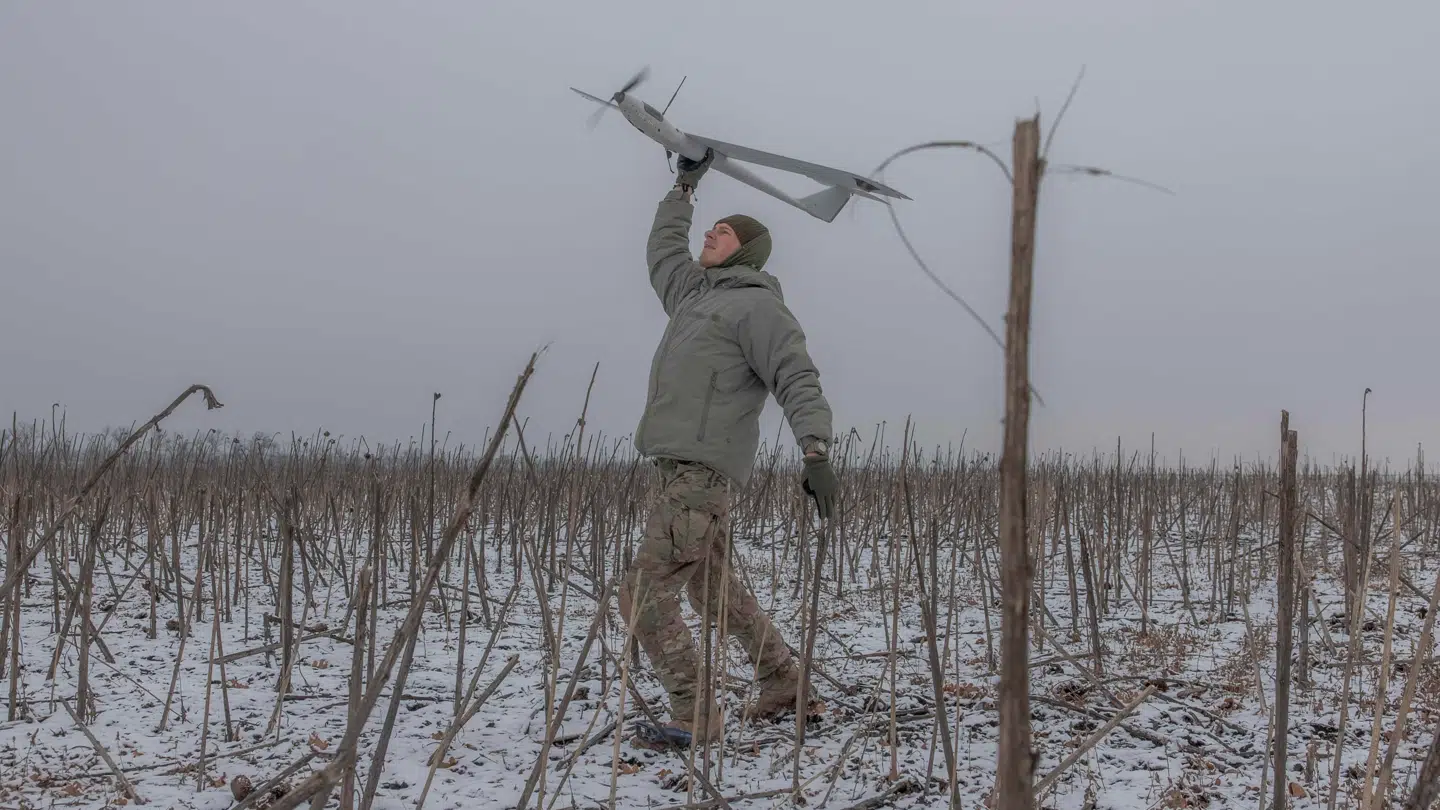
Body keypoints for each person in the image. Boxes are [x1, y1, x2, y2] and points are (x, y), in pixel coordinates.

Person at [619, 148, 841, 747]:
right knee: (710, 587)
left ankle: (694, 712)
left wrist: (815, 449)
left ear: (743, 251)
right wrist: (683, 190)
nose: (711, 235)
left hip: (700, 471)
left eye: (723, 233)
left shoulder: (758, 307)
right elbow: (663, 251)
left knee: (641, 592)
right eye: (712, 228)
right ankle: (784, 685)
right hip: (676, 467)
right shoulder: (694, 296)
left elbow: (797, 375)